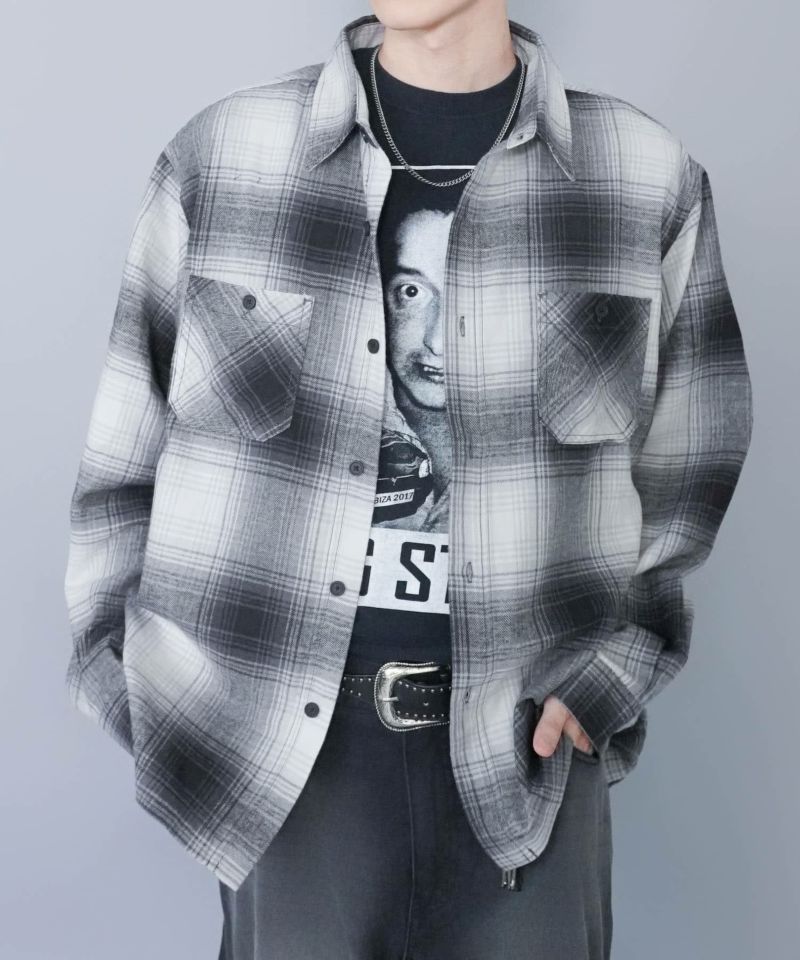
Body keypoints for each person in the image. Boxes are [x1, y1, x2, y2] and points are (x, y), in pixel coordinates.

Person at [62, 3, 754, 958]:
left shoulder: (642, 177)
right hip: (282, 767)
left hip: (529, 756)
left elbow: (693, 458)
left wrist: (609, 679)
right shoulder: (223, 159)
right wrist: (147, 701)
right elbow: (120, 466)